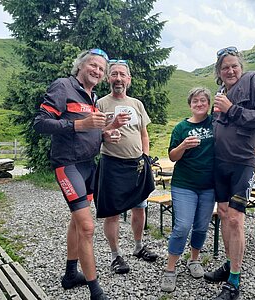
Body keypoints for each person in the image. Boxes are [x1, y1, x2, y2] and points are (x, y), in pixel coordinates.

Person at [33, 48, 111, 300]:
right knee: (87, 228)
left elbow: (90, 131)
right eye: (93, 65)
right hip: (68, 166)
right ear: (80, 65)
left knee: (77, 222)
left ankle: (70, 275)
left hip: (89, 166)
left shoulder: (92, 96)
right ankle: (95, 291)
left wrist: (108, 133)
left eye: (101, 69)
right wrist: (78, 124)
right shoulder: (63, 86)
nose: (97, 71)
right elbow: (41, 123)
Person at [204, 46, 255, 300]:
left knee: (235, 218)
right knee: (223, 214)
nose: (230, 70)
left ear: (241, 67)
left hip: (243, 163)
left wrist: (232, 109)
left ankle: (234, 281)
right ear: (219, 72)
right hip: (219, 163)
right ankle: (228, 263)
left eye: (234, 65)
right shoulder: (220, 92)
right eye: (225, 67)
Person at [94, 59, 158, 275]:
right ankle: (115, 255)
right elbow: (95, 136)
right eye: (114, 74)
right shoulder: (101, 103)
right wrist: (114, 124)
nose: (118, 78)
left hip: (138, 164)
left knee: (140, 208)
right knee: (112, 213)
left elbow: (143, 134)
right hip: (112, 163)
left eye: (122, 75)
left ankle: (138, 247)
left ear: (129, 80)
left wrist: (146, 158)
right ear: (108, 78)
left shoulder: (137, 104)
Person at [160, 87, 216, 292]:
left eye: (203, 101)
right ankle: (170, 269)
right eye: (195, 101)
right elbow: (173, 156)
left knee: (201, 226)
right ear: (190, 104)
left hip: (209, 185)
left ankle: (194, 260)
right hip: (184, 184)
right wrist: (183, 145)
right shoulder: (181, 128)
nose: (199, 104)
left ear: (209, 104)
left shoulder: (215, 123)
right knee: (183, 226)